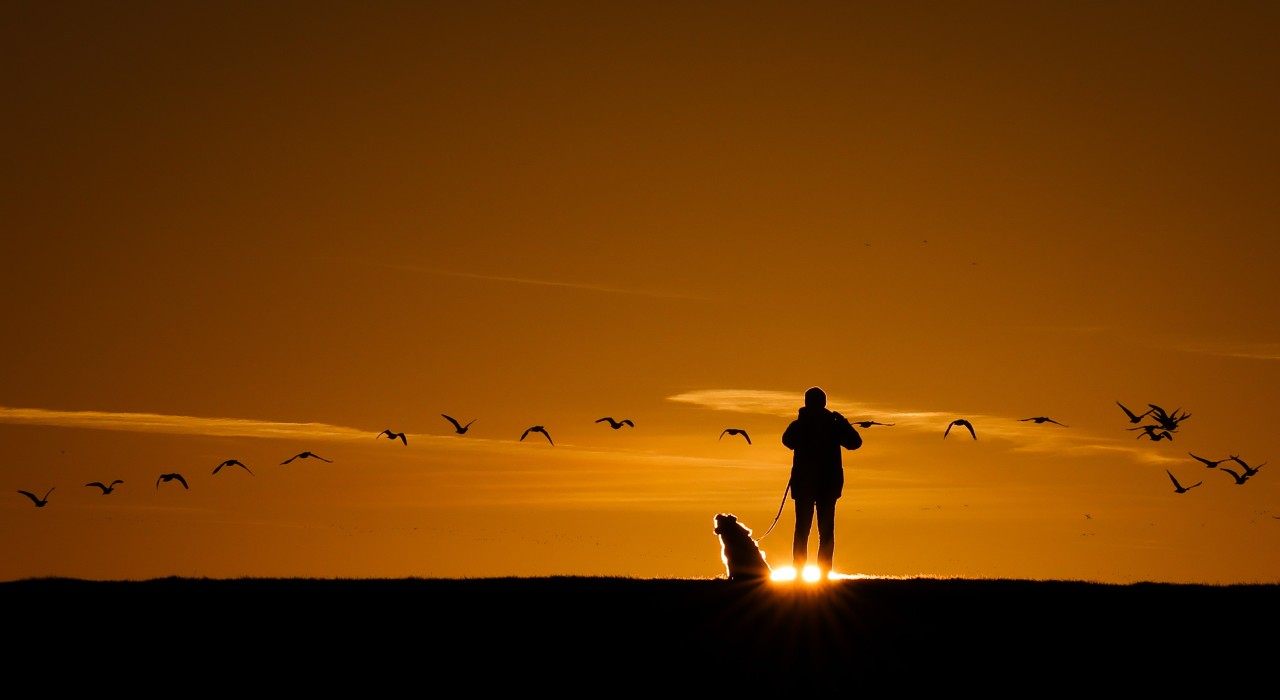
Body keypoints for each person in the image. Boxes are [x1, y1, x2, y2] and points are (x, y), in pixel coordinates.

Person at [781, 386, 862, 580]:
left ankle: (802, 573)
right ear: (824, 403)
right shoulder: (831, 425)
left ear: (806, 403)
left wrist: (841, 424)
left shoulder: (802, 425)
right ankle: (821, 573)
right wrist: (843, 424)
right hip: (824, 484)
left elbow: (787, 441)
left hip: (809, 485)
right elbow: (855, 443)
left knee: (803, 530)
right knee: (823, 531)